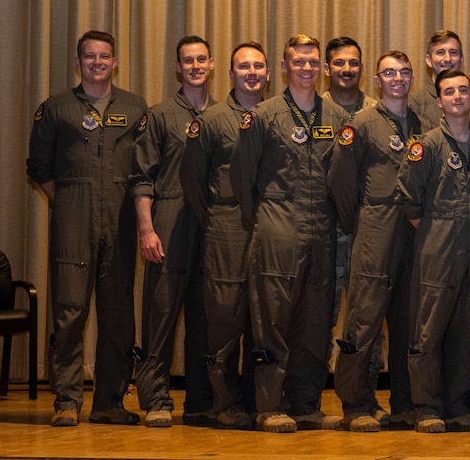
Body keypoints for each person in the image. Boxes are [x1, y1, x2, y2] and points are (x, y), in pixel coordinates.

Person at [28, 30, 148, 427]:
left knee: (118, 315)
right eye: (90, 56)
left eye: (105, 56)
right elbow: (39, 168)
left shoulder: (134, 107)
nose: (98, 62)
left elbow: (145, 166)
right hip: (73, 221)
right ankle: (66, 400)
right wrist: (69, 201)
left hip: (121, 221)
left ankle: (109, 403)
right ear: (78, 62)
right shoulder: (57, 107)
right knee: (69, 311)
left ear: (115, 62)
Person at [235, 34, 354, 433]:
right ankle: (269, 405)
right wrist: (267, 222)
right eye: (298, 61)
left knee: (315, 321)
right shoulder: (263, 116)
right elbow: (242, 178)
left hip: (322, 231)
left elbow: (344, 180)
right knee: (273, 320)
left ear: (321, 68)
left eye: (312, 62)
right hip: (276, 229)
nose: (306, 68)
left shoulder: (338, 118)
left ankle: (306, 404)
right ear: (284, 67)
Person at [327, 50, 424, 432]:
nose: (398, 78)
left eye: (404, 72)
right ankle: (357, 404)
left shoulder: (423, 123)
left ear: (412, 78)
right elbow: (340, 181)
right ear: (378, 80)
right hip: (374, 227)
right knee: (364, 319)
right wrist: (363, 222)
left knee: (408, 321)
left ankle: (404, 404)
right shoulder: (362, 123)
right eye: (389, 73)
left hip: (413, 230)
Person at [178, 41, 270, 429]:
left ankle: (257, 400)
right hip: (227, 226)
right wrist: (218, 219)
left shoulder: (277, 116)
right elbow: (193, 182)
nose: (252, 73)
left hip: (269, 226)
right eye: (243, 66)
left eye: (258, 66)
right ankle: (225, 402)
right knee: (226, 317)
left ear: (269, 73)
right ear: (230, 74)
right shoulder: (211, 120)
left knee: (263, 317)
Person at [129, 35, 217, 428]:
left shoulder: (223, 115)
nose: (195, 66)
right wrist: (147, 229)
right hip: (169, 220)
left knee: (206, 318)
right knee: (161, 316)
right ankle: (156, 399)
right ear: (178, 68)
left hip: (212, 227)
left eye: (202, 59)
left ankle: (199, 402)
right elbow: (141, 178)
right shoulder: (160, 115)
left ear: (211, 64)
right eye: (188, 61)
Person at [397, 70, 470, 432]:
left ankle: (457, 404)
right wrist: (440, 232)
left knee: (468, 331)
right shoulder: (426, 145)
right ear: (439, 100)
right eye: (449, 91)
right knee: (428, 330)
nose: (457, 97)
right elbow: (408, 200)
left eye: (463, 91)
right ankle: (427, 407)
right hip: (437, 249)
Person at [409, 30, 463, 121]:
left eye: (453, 52)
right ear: (429, 60)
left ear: (461, 60)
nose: (447, 59)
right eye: (440, 53)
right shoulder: (414, 103)